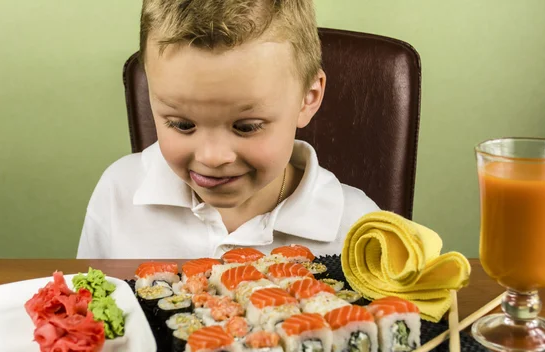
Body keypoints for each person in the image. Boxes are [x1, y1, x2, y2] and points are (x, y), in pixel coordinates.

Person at [77, 0, 379, 259]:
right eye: (182, 124)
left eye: (246, 127)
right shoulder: (118, 193)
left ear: (307, 98)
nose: (212, 157)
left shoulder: (359, 228)